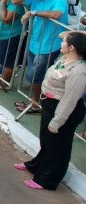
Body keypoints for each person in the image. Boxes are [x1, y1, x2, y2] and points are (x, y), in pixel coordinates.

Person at [18, 31, 86, 189]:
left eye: (65, 42)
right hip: (50, 103)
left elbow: (70, 100)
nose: (61, 43)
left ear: (72, 47)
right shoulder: (65, 59)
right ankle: (36, 166)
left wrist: (57, 121)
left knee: (58, 146)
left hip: (64, 109)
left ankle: (48, 179)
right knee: (47, 140)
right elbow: (63, 34)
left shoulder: (79, 72)